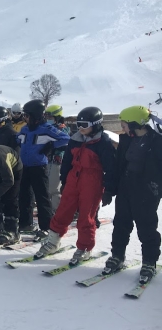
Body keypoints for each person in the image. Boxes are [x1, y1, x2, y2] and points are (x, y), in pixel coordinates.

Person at [36, 107, 116, 263]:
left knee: (86, 216)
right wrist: (65, 180)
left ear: (96, 124)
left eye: (84, 124)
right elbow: (66, 162)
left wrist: (109, 190)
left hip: (92, 181)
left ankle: (84, 248)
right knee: (62, 211)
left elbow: (111, 168)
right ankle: (53, 241)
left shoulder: (103, 141)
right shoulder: (75, 138)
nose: (80, 128)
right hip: (74, 178)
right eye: (78, 124)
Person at [103, 106, 162, 284]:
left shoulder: (157, 142)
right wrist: (110, 190)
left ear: (135, 123)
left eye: (125, 124)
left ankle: (149, 262)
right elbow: (117, 168)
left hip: (146, 191)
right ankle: (117, 256)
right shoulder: (127, 140)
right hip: (125, 188)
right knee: (121, 224)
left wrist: (156, 188)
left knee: (146, 228)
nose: (123, 128)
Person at [17, 99, 70, 238]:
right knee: (24, 196)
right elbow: (17, 140)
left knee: (42, 197)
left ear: (35, 115)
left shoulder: (47, 129)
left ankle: (46, 227)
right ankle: (25, 223)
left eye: (27, 115)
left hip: (39, 167)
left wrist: (51, 146)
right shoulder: (25, 129)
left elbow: (66, 139)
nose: (25, 118)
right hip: (25, 166)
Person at [44, 105, 71, 211]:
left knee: (54, 189)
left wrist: (51, 145)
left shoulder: (63, 129)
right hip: (47, 160)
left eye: (50, 117)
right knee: (47, 187)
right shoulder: (48, 128)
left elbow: (65, 142)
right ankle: (49, 210)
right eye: (47, 117)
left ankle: (57, 211)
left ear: (57, 117)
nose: (48, 119)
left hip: (57, 161)